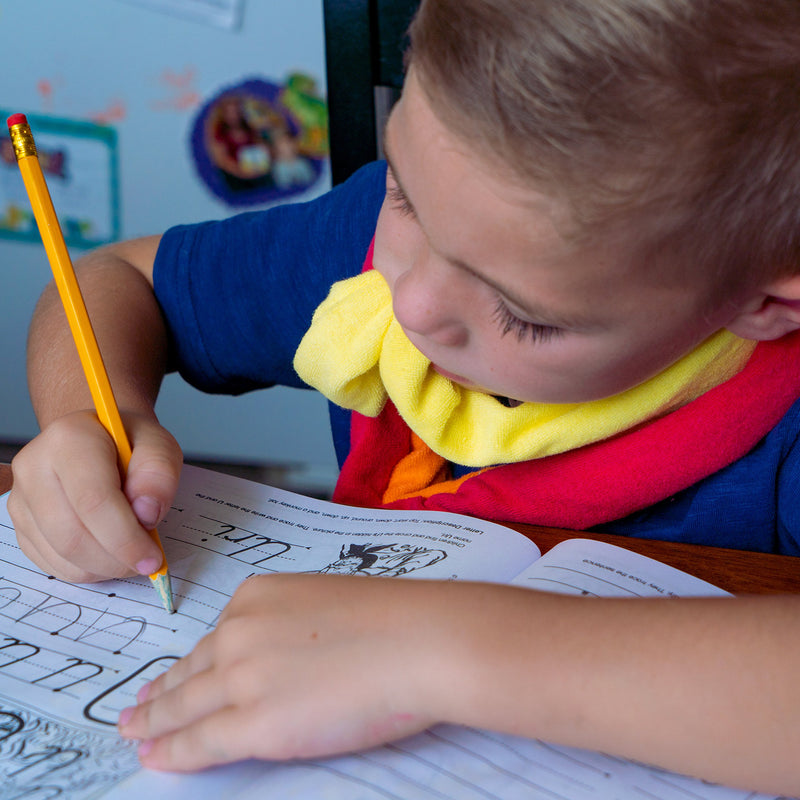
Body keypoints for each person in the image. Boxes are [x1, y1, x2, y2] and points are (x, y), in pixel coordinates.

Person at [7, 0, 800, 792]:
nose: (409, 300)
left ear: (768, 305)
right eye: (405, 195)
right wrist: (91, 415)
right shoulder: (407, 233)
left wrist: (452, 653)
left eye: (523, 315)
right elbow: (113, 281)